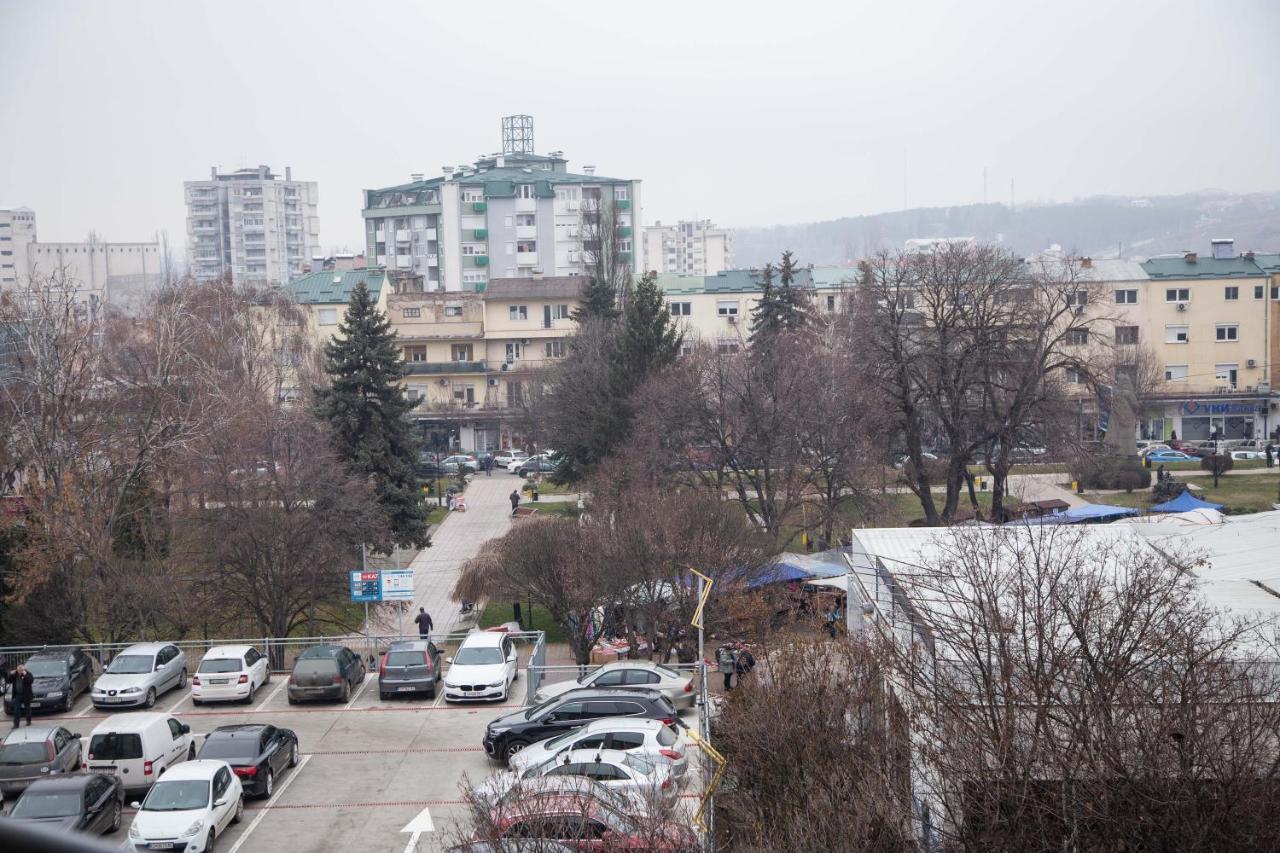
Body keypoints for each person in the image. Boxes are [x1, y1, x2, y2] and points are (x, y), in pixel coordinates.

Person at [7, 663, 33, 729]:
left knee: (27, 708)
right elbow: (9, 681)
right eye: (18, 670)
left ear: (24, 669)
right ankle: (16, 724)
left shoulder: (28, 673)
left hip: (26, 694)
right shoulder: (15, 674)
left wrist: (25, 675)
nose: (20, 671)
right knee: (16, 710)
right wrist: (10, 674)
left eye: (21, 670)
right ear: (17, 669)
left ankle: (28, 720)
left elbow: (30, 681)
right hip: (17, 695)